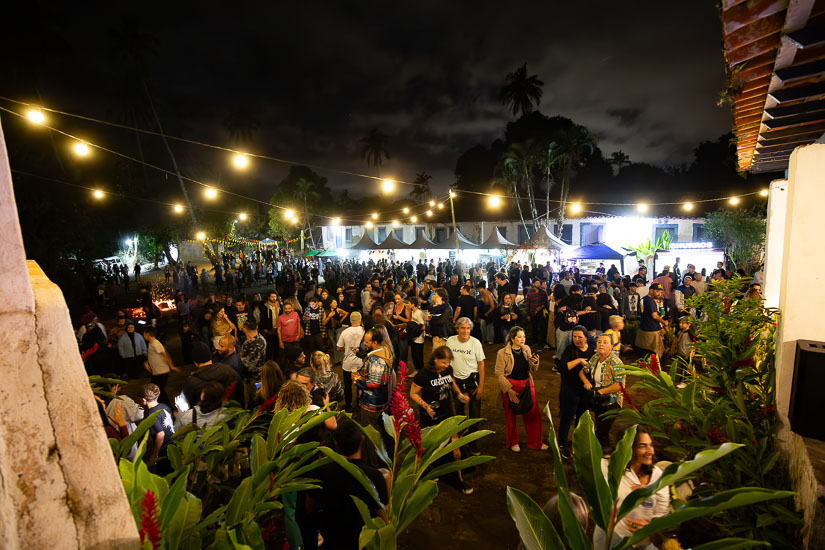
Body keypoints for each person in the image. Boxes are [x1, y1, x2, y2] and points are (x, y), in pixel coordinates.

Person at [297, 418, 389, 550]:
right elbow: (384, 519)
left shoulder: (322, 472)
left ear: (335, 442)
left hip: (333, 539)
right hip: (365, 542)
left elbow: (310, 508)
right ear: (362, 439)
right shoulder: (374, 476)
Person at [409, 345, 474, 495]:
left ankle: (459, 480)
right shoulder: (423, 375)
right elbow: (413, 393)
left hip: (447, 414)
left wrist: (459, 394)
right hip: (430, 417)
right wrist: (426, 406)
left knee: (455, 445)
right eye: (444, 362)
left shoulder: (448, 370)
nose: (447, 365)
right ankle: (426, 472)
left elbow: (452, 382)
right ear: (435, 359)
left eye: (449, 362)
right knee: (428, 447)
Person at [593, 426, 670, 550]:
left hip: (644, 540)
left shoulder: (657, 475)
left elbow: (662, 512)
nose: (650, 451)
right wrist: (632, 493)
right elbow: (604, 501)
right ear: (628, 447)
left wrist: (650, 527)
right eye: (642, 446)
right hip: (612, 536)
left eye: (650, 445)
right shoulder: (607, 468)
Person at [494, 326, 548, 453]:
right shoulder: (502, 353)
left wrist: (535, 362)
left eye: (524, 336)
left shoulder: (526, 349)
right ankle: (513, 442)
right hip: (510, 385)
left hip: (527, 384)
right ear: (512, 339)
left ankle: (536, 442)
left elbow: (532, 370)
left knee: (533, 413)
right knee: (511, 415)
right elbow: (499, 374)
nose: (523, 339)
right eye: (519, 337)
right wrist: (509, 390)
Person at [445, 317, 486, 455]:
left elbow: (481, 364)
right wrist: (454, 386)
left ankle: (473, 443)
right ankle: (461, 441)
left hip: (472, 381)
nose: (465, 331)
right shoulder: (450, 341)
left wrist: (481, 386)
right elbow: (447, 363)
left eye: (468, 328)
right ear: (457, 329)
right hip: (456, 381)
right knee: (458, 413)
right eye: (462, 328)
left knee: (474, 414)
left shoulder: (475, 343)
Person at [580, 335, 625, 448]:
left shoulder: (616, 362)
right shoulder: (595, 357)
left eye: (605, 342)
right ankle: (603, 451)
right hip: (598, 399)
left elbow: (619, 386)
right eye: (599, 342)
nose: (601, 344)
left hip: (612, 402)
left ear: (611, 346)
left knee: (601, 431)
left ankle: (602, 453)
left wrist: (600, 391)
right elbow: (582, 372)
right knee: (600, 428)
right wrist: (586, 382)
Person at [557, 326, 595, 459]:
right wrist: (579, 360)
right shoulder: (570, 350)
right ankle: (562, 444)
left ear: (586, 337)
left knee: (582, 418)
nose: (577, 339)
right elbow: (563, 367)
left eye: (580, 337)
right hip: (570, 388)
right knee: (567, 417)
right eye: (574, 336)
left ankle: (578, 443)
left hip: (586, 389)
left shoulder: (592, 349)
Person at [180, 342, 241, 409]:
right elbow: (240, 390)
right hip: (231, 411)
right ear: (210, 358)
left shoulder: (191, 382)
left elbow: (187, 405)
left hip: (205, 414)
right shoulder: (228, 370)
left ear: (195, 363)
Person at [355, 328, 393, 433]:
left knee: (369, 431)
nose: (364, 344)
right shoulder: (384, 350)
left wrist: (358, 381)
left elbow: (374, 383)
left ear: (375, 343)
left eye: (367, 342)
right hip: (383, 399)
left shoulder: (376, 359)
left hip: (372, 402)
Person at [141, 384, 175, 473]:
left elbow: (160, 434)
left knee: (164, 472)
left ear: (144, 399)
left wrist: (155, 454)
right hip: (173, 443)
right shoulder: (164, 406)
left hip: (164, 450)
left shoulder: (152, 415)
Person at [337, 311, 365, 412]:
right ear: (360, 320)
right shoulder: (364, 331)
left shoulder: (345, 332)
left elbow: (338, 348)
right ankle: (359, 403)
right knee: (361, 385)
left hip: (348, 363)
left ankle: (348, 405)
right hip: (361, 362)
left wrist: (347, 348)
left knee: (347, 385)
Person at [143, 328, 180, 404]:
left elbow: (165, 354)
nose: (143, 335)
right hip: (157, 371)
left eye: (144, 334)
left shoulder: (156, 343)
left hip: (161, 371)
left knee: (159, 391)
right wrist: (148, 362)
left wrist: (172, 366)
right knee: (156, 390)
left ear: (147, 334)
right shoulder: (151, 343)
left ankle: (168, 406)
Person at [635, 283, 668, 357]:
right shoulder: (650, 301)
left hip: (643, 328)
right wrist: (664, 322)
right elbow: (654, 316)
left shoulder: (643, 299)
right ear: (651, 290)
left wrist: (657, 312)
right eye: (657, 291)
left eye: (660, 292)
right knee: (654, 353)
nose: (659, 294)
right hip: (651, 330)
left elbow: (645, 312)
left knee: (644, 352)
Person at [525, 279, 549, 349]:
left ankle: (543, 342)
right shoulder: (530, 293)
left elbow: (546, 303)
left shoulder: (543, 292)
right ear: (533, 284)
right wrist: (528, 314)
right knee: (534, 328)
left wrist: (541, 307)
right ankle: (535, 342)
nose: (538, 284)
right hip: (533, 313)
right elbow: (528, 304)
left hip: (541, 313)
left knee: (543, 328)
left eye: (539, 283)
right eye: (536, 283)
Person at [407, 297, 427, 376]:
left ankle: (420, 372)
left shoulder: (418, 313)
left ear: (413, 304)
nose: (408, 305)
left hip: (419, 338)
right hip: (414, 337)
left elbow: (423, 326)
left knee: (418, 356)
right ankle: (417, 370)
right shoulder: (413, 312)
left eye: (409, 303)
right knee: (414, 355)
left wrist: (416, 332)